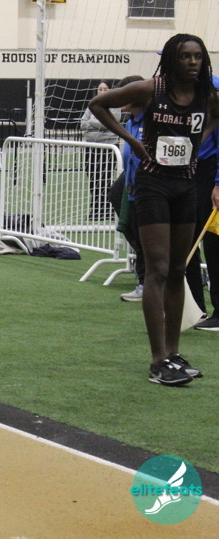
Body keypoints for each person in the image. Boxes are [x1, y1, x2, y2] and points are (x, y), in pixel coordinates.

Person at [89, 33, 219, 386]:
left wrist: (201, 139)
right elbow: (98, 104)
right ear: (173, 59)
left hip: (186, 186)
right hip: (153, 186)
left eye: (198, 56)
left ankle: (174, 354)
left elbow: (214, 116)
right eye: (186, 56)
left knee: (178, 269)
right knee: (158, 269)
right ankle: (158, 360)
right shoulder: (150, 90)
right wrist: (131, 140)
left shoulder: (207, 95)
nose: (193, 62)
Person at [105, 76, 146, 302]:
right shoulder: (131, 121)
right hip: (131, 184)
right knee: (135, 230)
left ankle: (148, 282)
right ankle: (144, 277)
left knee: (147, 235)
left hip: (150, 186)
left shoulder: (152, 120)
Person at [187, 76, 219, 331]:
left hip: (209, 173)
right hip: (191, 171)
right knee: (188, 240)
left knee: (213, 243)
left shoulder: (212, 97)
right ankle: (194, 307)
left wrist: (218, 182)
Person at [79, 81, 122, 220]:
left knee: (104, 179)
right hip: (91, 147)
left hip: (108, 147)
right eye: (100, 89)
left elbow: (108, 124)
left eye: (105, 89)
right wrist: (98, 122)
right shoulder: (91, 104)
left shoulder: (114, 106)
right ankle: (96, 210)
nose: (102, 92)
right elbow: (82, 123)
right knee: (93, 179)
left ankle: (107, 210)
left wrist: (93, 122)